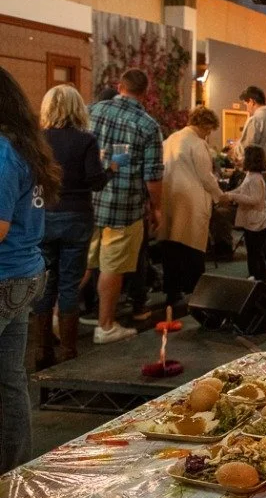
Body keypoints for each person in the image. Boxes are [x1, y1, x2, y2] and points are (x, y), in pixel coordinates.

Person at [0, 68, 62, 473]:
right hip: (23, 274)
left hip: (5, 275)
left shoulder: (4, 151)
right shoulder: (24, 146)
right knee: (9, 381)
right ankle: (14, 473)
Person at [33, 85, 110, 369]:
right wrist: (111, 169)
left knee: (44, 283)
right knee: (68, 284)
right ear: (78, 108)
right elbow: (96, 181)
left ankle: (42, 350)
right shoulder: (86, 140)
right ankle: (67, 352)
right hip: (77, 217)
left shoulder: (38, 139)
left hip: (44, 215)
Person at [88, 68, 164, 344]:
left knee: (83, 264)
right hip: (125, 207)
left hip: (88, 202)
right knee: (113, 266)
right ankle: (105, 325)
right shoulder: (147, 126)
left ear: (119, 86)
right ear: (145, 93)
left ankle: (61, 316)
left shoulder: (91, 112)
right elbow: (152, 176)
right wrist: (157, 209)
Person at [157, 107, 222, 305]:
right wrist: (220, 195)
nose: (208, 134)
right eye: (209, 130)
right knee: (193, 247)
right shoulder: (197, 143)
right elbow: (206, 176)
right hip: (192, 201)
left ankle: (172, 290)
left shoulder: (169, 140)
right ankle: (195, 290)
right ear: (205, 125)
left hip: (169, 197)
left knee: (171, 246)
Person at [223, 146, 266, 282]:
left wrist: (234, 197)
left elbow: (255, 199)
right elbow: (242, 190)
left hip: (257, 222)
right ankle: (254, 277)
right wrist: (230, 194)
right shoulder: (250, 175)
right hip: (252, 220)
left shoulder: (256, 178)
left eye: (245, 156)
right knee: (252, 252)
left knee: (256, 254)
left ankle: (259, 279)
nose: (242, 159)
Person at [236, 85, 266, 167]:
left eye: (246, 104)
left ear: (252, 102)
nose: (247, 109)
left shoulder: (255, 119)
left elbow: (246, 149)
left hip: (259, 173)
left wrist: (236, 147)